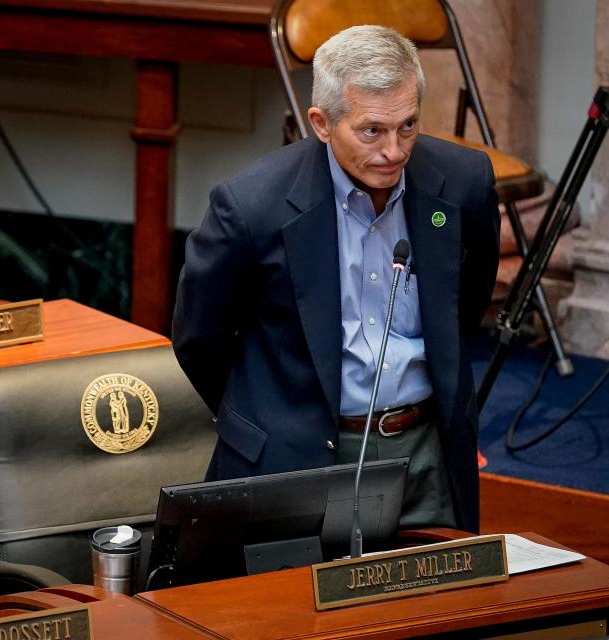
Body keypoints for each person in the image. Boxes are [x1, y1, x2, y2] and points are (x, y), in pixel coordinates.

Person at [172, 25, 499, 534]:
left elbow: (466, 302)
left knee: (435, 610)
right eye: (372, 131)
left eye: (408, 126)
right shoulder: (251, 207)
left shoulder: (463, 184)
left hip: (427, 453)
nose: (394, 151)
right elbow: (199, 340)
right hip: (297, 460)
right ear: (322, 124)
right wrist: (272, 417)